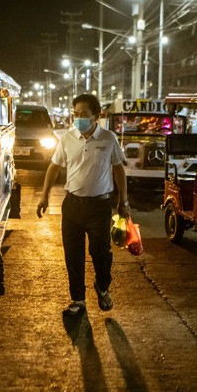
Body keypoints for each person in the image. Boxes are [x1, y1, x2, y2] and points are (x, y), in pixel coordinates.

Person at [36, 93, 128, 317]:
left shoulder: (109, 138)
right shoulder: (67, 139)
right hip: (72, 206)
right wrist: (44, 195)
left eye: (84, 114)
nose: (78, 119)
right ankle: (78, 300)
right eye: (75, 114)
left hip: (100, 207)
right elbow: (54, 167)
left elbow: (119, 169)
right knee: (73, 256)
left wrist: (123, 200)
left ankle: (102, 285)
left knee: (101, 253)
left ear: (96, 116)